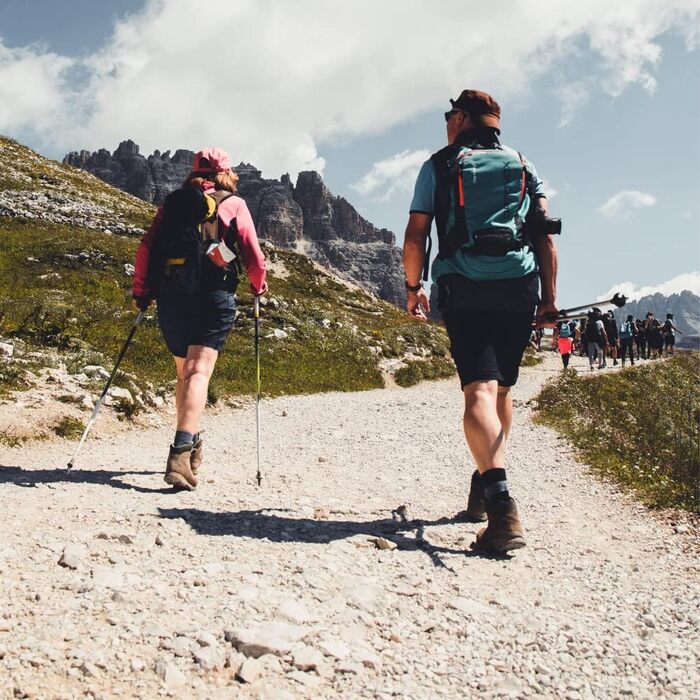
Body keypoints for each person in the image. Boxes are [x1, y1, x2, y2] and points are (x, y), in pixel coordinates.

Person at [402, 89, 558, 554]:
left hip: (464, 284)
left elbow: (416, 235)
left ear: (464, 119)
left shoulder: (440, 164)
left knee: (478, 389)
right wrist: (549, 299)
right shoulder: (524, 164)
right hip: (520, 285)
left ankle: (502, 506)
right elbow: (545, 236)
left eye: (450, 115)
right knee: (502, 390)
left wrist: (414, 289)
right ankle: (483, 485)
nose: (447, 122)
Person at [132, 147, 267, 489]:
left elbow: (147, 247)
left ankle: (193, 441)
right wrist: (258, 285)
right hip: (213, 294)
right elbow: (251, 250)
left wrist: (141, 292)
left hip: (172, 296)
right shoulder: (233, 204)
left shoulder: (173, 205)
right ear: (225, 173)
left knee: (185, 374)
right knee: (198, 372)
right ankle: (179, 453)